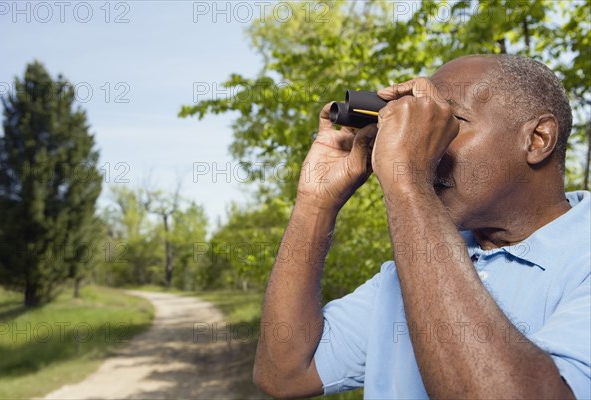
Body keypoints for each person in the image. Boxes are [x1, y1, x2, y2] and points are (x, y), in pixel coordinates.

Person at [252, 54, 590, 399]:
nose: (428, 146)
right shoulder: (419, 266)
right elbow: (286, 373)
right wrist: (316, 203)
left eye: (450, 123)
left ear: (537, 139)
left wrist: (408, 181)